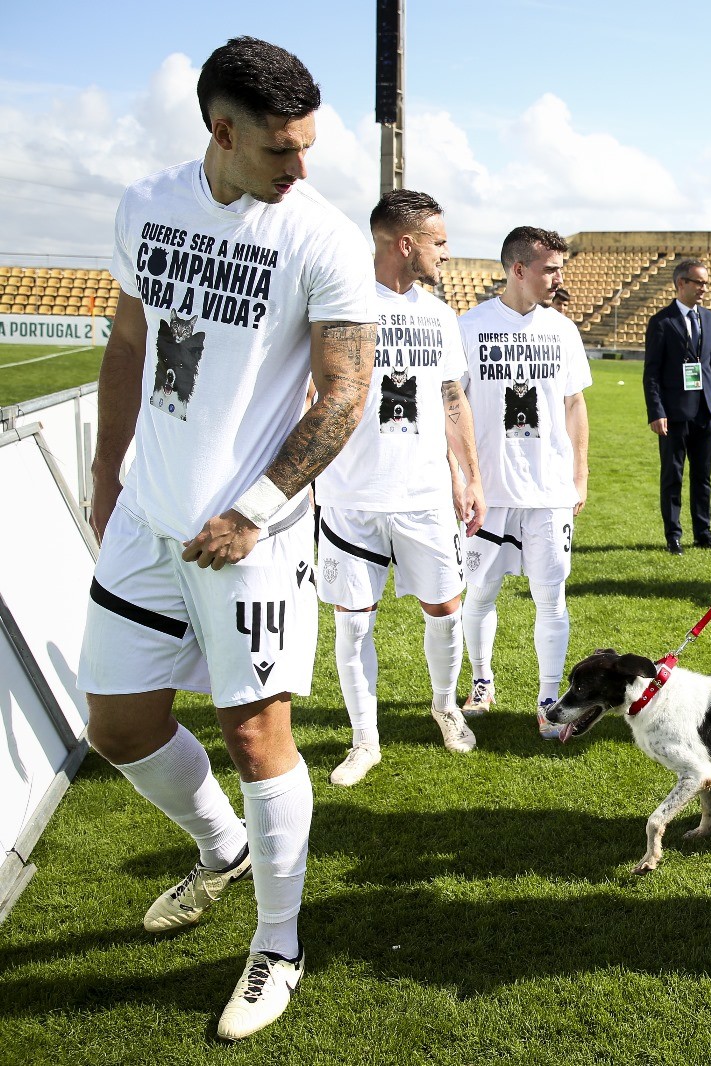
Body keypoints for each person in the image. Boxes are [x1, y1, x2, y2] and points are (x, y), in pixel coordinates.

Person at [78, 37, 377, 1040]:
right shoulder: (145, 204)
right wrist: (105, 474)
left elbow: (344, 396)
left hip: (254, 533)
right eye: (283, 150)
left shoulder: (322, 236)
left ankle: (279, 941)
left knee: (257, 735)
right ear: (222, 132)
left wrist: (252, 507)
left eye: (308, 146)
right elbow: (129, 342)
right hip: (147, 518)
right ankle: (220, 848)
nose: (302, 168)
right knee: (115, 725)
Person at [315, 189, 485, 785]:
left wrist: (469, 476)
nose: (446, 253)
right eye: (439, 242)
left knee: (444, 608)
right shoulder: (341, 300)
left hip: (425, 495)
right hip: (350, 496)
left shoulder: (438, 316)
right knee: (353, 620)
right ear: (406, 243)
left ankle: (444, 707)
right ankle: (365, 740)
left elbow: (451, 398)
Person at [457, 227, 591, 733]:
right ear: (518, 269)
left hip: (548, 490)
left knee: (551, 598)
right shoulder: (469, 326)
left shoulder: (562, 330)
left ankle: (550, 700)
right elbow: (454, 408)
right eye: (550, 269)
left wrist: (579, 473)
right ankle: (483, 681)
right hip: (489, 491)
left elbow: (575, 404)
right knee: (481, 592)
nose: (558, 278)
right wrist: (463, 478)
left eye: (560, 268)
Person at [643, 258, 711, 554]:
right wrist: (656, 412)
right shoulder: (661, 321)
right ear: (681, 283)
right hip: (673, 414)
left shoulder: (708, 318)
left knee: (702, 477)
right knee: (673, 476)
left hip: (706, 411)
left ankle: (703, 532)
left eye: (706, 283)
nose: (704, 289)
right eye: (699, 283)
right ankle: (673, 536)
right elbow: (652, 373)